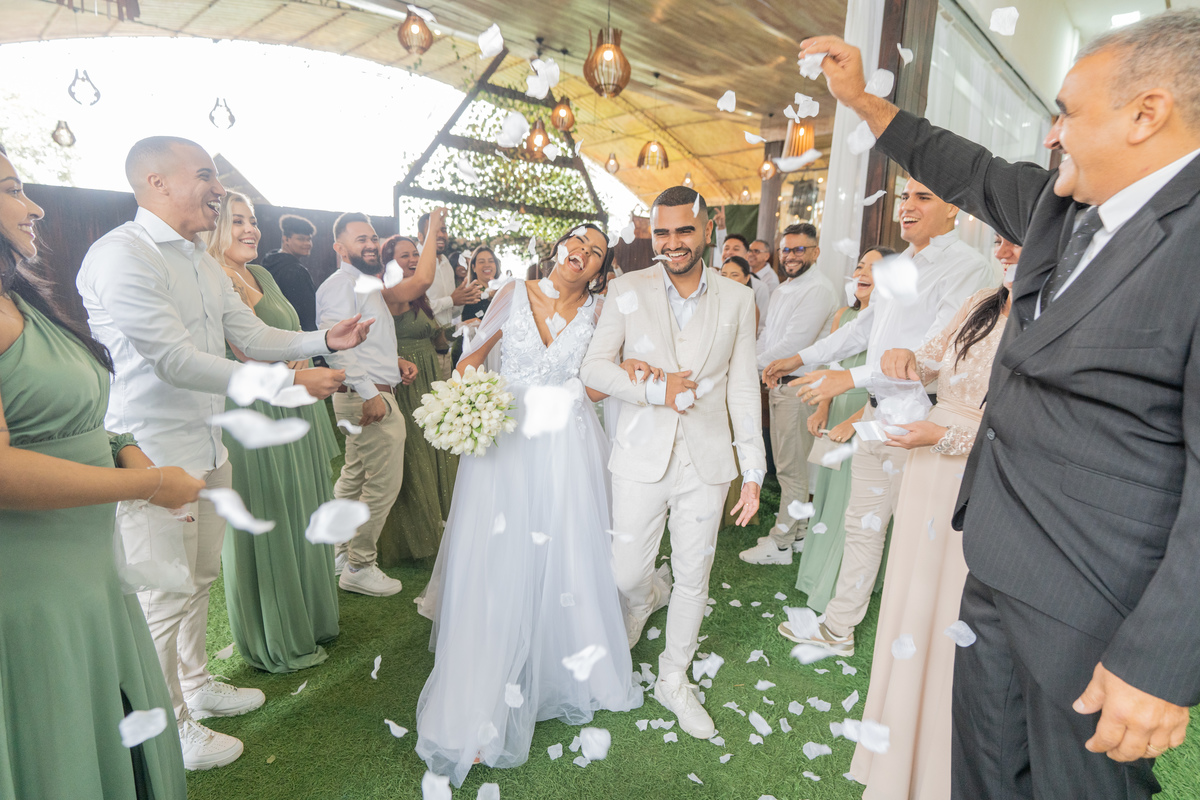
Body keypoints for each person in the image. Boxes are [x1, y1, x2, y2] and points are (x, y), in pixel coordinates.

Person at [804, 12, 1200, 797]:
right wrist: (863, 102)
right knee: (983, 778)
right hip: (991, 573)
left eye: (1067, 113)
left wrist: (1160, 660)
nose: (1052, 136)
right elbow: (970, 169)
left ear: (1146, 114)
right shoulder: (1066, 208)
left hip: (1095, 610)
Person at [76, 136, 370, 770]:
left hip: (210, 443)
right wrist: (287, 384)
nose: (218, 188)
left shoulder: (201, 260)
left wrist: (324, 338)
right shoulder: (122, 254)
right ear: (156, 183)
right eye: (205, 175)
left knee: (199, 579)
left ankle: (196, 685)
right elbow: (175, 360)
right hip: (153, 456)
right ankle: (169, 729)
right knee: (162, 595)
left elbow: (251, 333)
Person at [0, 146, 199, 798]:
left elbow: (68, 416)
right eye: (11, 189)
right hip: (31, 583)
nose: (34, 207)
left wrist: (124, 447)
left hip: (86, 567)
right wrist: (149, 484)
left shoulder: (20, 299)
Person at [416, 223, 645, 787]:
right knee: (498, 554)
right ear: (558, 247)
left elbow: (597, 383)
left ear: (601, 268)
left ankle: (560, 664)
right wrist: (468, 402)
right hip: (505, 438)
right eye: (577, 242)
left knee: (565, 549)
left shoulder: (601, 312)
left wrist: (611, 378)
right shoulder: (512, 291)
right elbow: (471, 360)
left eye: (596, 251)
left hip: (565, 444)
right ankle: (484, 682)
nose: (582, 253)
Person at [764, 177, 992, 658]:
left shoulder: (967, 267)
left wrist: (846, 379)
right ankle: (838, 628)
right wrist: (798, 359)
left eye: (924, 197)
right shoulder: (897, 266)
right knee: (861, 525)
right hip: (876, 413)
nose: (908, 206)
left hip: (922, 423)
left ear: (954, 207)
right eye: (905, 197)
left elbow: (932, 355)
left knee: (916, 537)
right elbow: (858, 331)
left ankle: (920, 645)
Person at [581, 186, 766, 741]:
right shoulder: (627, 289)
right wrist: (655, 391)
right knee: (627, 572)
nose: (672, 242)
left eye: (684, 230)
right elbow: (594, 370)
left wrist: (752, 470)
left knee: (694, 575)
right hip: (640, 453)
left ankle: (673, 677)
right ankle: (645, 599)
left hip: (707, 462)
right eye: (662, 232)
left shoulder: (739, 300)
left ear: (707, 229)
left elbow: (743, 390)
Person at [850, 237, 1019, 798]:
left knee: (952, 614)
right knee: (911, 603)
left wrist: (944, 436)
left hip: (980, 477)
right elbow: (928, 360)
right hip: (926, 466)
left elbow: (1026, 428)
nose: (1003, 250)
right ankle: (894, 759)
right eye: (1000, 238)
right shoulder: (981, 302)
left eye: (1016, 240)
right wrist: (903, 360)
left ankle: (940, 770)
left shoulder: (1050, 318)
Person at [204, 191, 341, 673]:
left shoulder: (261, 274)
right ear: (213, 225)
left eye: (253, 221)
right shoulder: (213, 276)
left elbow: (285, 334)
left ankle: (312, 616)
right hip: (255, 407)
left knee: (303, 506)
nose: (250, 230)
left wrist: (304, 359)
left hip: (292, 398)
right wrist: (295, 368)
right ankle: (277, 634)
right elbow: (246, 350)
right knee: (272, 513)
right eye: (237, 221)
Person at [315, 211, 425, 597]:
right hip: (365, 396)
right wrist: (371, 394)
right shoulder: (338, 285)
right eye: (360, 238)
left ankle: (340, 553)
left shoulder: (367, 284)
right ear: (339, 247)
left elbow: (364, 342)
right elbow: (336, 347)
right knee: (382, 484)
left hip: (369, 390)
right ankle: (360, 565)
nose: (370, 244)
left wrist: (395, 362)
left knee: (355, 477)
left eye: (373, 237)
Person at [793, 246, 890, 613]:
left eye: (874, 269)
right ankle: (815, 575)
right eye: (860, 266)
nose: (863, 273)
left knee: (853, 503)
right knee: (829, 497)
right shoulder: (843, 315)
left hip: (868, 414)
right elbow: (833, 364)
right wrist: (823, 408)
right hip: (837, 411)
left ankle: (840, 587)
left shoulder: (892, 321)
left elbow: (889, 384)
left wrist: (854, 422)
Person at [740, 223, 838, 565]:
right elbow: (767, 335)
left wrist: (744, 365)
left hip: (799, 386)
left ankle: (780, 543)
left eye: (799, 249)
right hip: (778, 384)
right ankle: (797, 534)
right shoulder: (784, 289)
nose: (791, 256)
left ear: (815, 252)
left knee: (790, 470)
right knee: (790, 466)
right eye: (786, 249)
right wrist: (755, 363)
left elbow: (794, 345)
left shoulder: (819, 289)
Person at [375, 233, 456, 565]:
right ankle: (415, 539)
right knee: (413, 453)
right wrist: (434, 227)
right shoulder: (388, 294)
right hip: (404, 378)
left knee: (434, 445)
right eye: (404, 255)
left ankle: (439, 522)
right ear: (387, 263)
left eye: (414, 255)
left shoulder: (419, 298)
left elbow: (437, 335)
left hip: (429, 377)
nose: (412, 260)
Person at [419, 210, 481, 380]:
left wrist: (464, 298)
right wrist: (451, 300)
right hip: (425, 350)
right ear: (420, 236)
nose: (441, 234)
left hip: (445, 348)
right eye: (434, 230)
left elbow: (451, 312)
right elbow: (417, 308)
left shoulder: (446, 263)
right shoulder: (416, 261)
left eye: (444, 230)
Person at [261, 214, 319, 331]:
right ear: (286, 239)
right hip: (296, 335)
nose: (307, 243)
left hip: (272, 332)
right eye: (301, 239)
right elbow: (308, 316)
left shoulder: (268, 263)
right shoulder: (296, 271)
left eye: (309, 239)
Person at [718, 255, 758, 328]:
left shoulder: (749, 307)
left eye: (734, 275)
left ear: (747, 278)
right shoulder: (714, 301)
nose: (728, 279)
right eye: (724, 275)